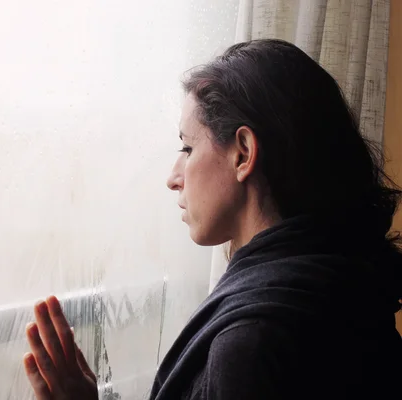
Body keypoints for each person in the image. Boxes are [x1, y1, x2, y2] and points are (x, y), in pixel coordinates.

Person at [21, 39, 402, 399]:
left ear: (243, 154)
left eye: (188, 147)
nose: (173, 177)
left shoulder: (252, 343)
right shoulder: (345, 282)